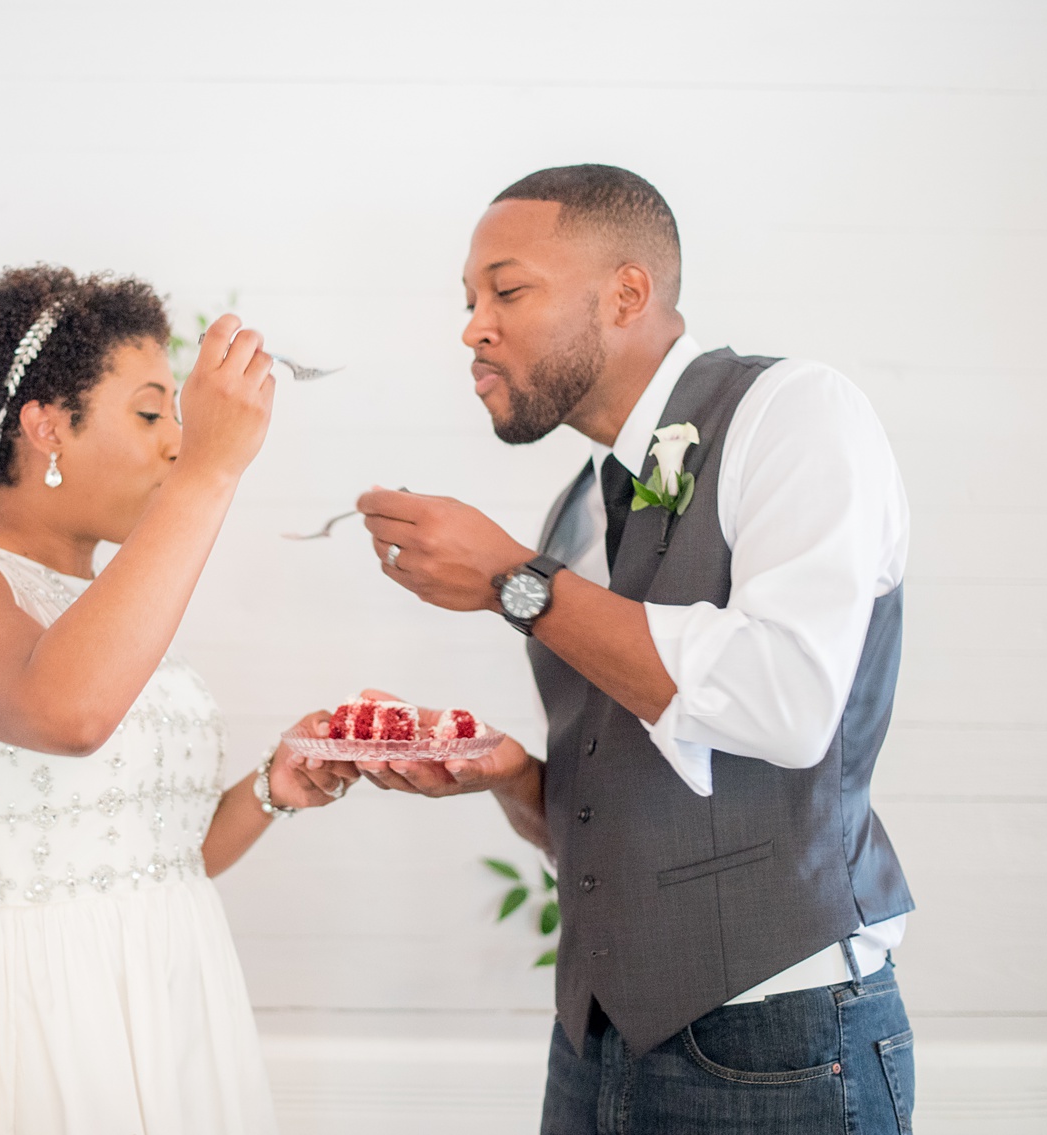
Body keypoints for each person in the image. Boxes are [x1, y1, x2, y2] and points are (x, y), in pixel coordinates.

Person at [352, 165, 917, 1133]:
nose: (472, 327)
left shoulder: (794, 414)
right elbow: (632, 809)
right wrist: (514, 778)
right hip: (591, 1049)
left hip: (779, 1045)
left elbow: (785, 703)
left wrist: (508, 581)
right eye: (467, 301)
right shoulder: (575, 507)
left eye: (506, 289)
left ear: (625, 293)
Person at [0, 265, 357, 1135]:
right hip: (46, 1010)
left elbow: (156, 856)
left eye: (178, 414)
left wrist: (270, 788)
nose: (176, 440)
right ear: (47, 425)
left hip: (181, 988)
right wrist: (211, 471)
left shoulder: (101, 595)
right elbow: (68, 714)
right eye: (150, 412)